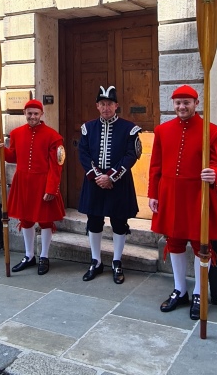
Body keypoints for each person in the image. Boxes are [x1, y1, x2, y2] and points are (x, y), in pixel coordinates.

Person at [148, 85, 217, 320]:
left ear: (196, 103)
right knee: (173, 241)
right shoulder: (162, 131)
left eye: (186, 102)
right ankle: (180, 289)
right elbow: (155, 166)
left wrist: (214, 174)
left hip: (198, 196)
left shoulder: (213, 132)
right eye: (178, 103)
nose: (181, 107)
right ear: (172, 104)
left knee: (200, 245)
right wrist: (153, 194)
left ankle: (198, 292)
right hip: (170, 195)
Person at [78, 85, 142, 284]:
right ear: (97, 106)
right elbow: (83, 152)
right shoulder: (88, 127)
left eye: (110, 104)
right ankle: (96, 261)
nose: (106, 108)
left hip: (119, 183)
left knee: (119, 223)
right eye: (102, 104)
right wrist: (97, 176)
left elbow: (132, 155)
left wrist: (111, 177)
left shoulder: (129, 129)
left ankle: (116, 261)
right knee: (94, 221)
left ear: (117, 106)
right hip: (94, 182)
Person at [0, 99, 65, 275]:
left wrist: (51, 188)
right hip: (23, 183)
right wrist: (2, 149)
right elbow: (13, 157)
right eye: (29, 113)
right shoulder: (16, 133)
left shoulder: (53, 136)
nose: (32, 116)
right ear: (24, 114)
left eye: (36, 113)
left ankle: (44, 256)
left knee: (45, 220)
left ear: (41, 114)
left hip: (43, 183)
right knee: (25, 220)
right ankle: (29, 255)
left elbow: (56, 165)